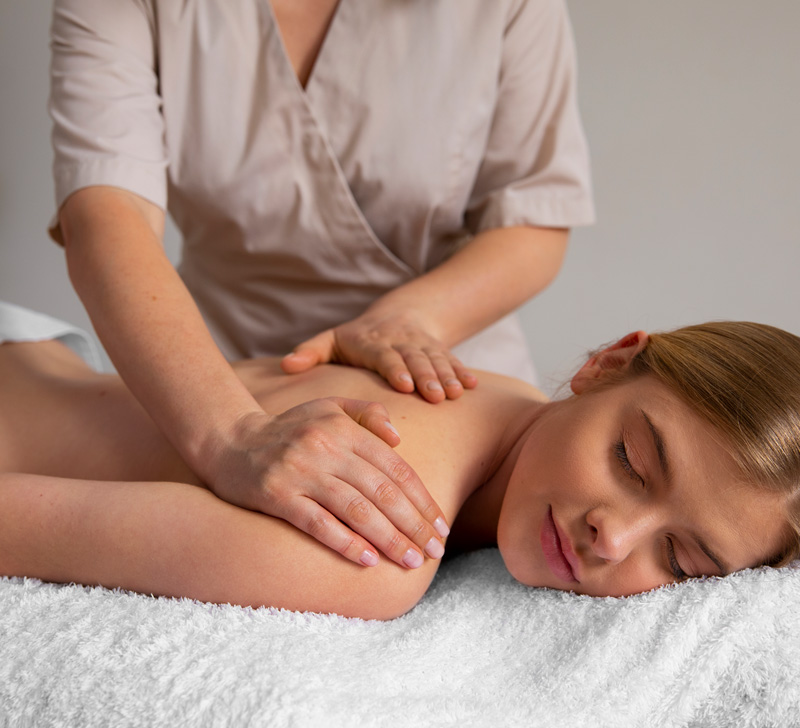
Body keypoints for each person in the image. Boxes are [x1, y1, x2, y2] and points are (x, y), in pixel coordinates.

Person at [47, 0, 595, 567]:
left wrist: (408, 321)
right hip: (221, 386)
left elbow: (534, 215)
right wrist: (232, 436)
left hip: (446, 380)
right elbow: (105, 213)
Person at [1, 305, 797, 620]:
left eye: (682, 560)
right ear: (604, 364)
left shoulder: (493, 391)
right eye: (630, 460)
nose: (612, 537)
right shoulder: (378, 541)